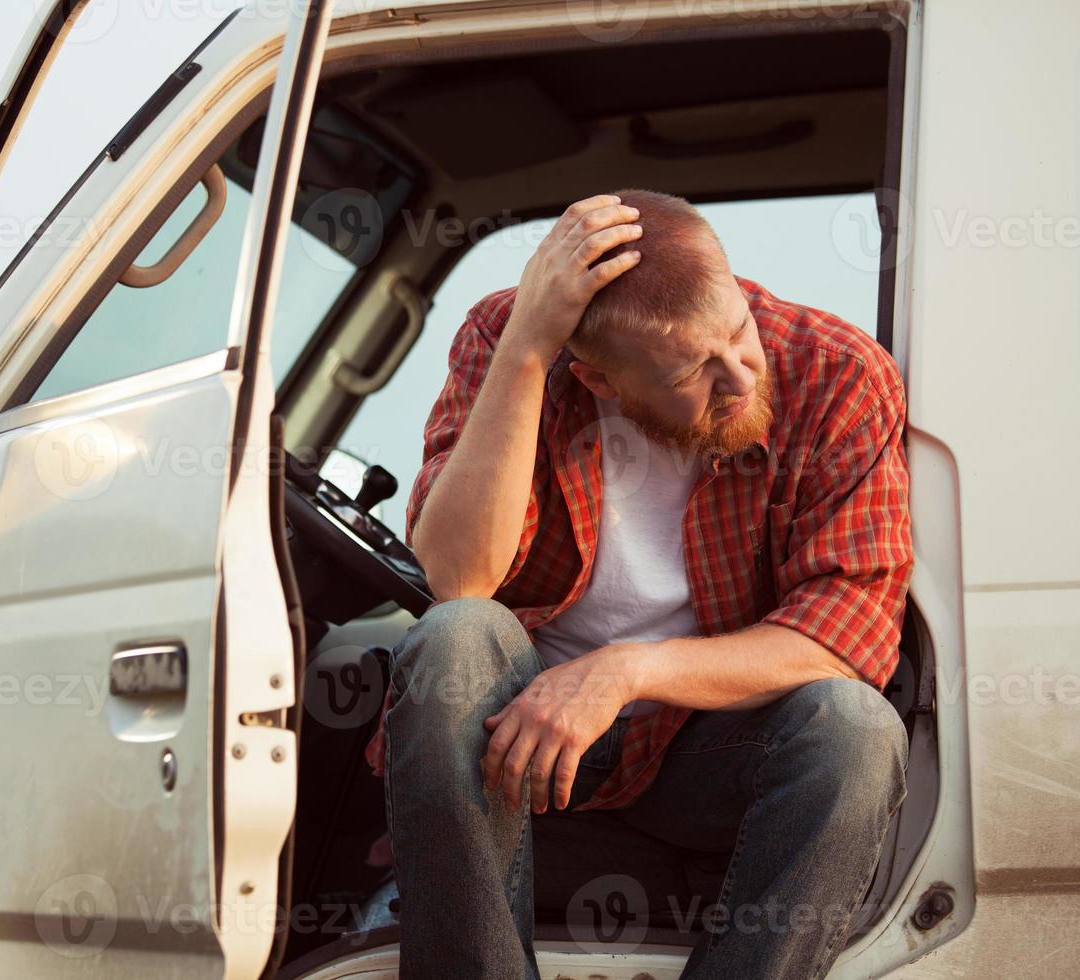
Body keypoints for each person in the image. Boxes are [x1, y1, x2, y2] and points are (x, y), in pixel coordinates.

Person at [366, 189, 914, 978]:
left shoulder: (837, 372)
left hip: (708, 747)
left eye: (738, 331)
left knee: (854, 728)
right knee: (455, 637)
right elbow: (461, 577)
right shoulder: (511, 339)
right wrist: (525, 348)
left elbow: (848, 634)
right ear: (598, 381)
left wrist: (626, 671)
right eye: (696, 368)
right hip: (524, 750)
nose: (740, 378)